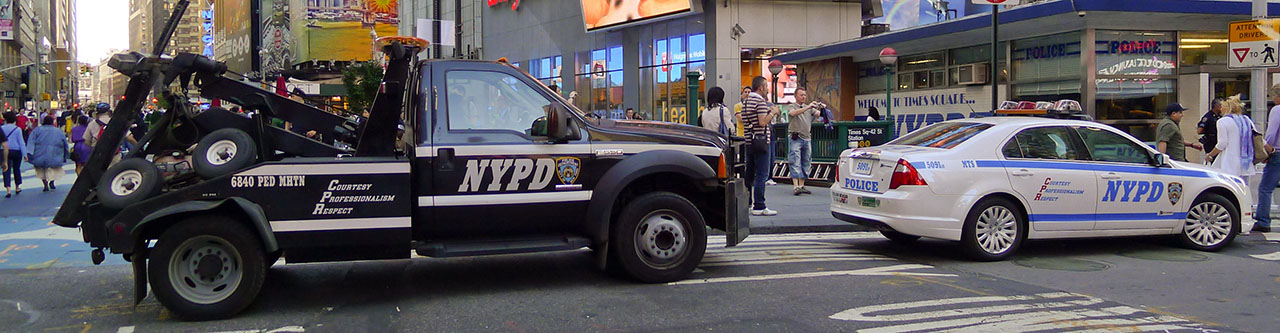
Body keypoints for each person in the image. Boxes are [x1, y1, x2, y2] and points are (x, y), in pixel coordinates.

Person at [743, 76, 780, 216]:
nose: (767, 89)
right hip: (761, 141)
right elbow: (763, 122)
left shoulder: (746, 101)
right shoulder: (760, 101)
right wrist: (773, 112)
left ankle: (748, 202)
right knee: (762, 174)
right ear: (761, 88)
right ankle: (760, 205)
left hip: (749, 140)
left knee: (750, 173)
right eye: (766, 87)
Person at [1206, 95, 1257, 182]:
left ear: (1226, 108)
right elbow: (1256, 137)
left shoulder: (1222, 121)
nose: (1220, 109)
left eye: (1222, 107)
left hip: (1229, 162)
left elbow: (1222, 143)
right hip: (1246, 162)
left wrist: (1210, 154)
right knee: (1243, 188)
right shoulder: (1247, 120)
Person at [785, 88, 822, 195]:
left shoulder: (809, 107)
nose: (803, 97)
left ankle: (802, 185)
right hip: (795, 137)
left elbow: (819, 114)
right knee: (795, 160)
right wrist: (808, 107)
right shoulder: (792, 106)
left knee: (806, 161)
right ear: (795, 96)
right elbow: (792, 114)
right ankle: (795, 186)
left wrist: (821, 107)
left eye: (805, 95)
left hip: (807, 137)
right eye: (801, 95)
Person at [1256, 86, 1280, 233]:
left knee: (1265, 188)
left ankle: (1263, 221)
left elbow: (1272, 132)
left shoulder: (1277, 110)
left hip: (1278, 154)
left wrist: (1267, 151)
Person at [28, 116, 68, 192]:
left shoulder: (37, 130)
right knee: (55, 169)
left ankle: (45, 183)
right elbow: (65, 143)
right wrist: (66, 154)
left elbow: (31, 142)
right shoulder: (58, 131)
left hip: (39, 152)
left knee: (41, 169)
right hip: (55, 153)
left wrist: (29, 153)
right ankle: (52, 181)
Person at [2, 112, 26, 197]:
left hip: (5, 151)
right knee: (16, 169)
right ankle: (17, 187)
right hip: (16, 151)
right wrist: (25, 154)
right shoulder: (18, 129)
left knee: (6, 169)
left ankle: (8, 189)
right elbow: (21, 142)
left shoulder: (2, 128)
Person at [1198, 98, 1224, 163]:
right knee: (1212, 161)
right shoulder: (1208, 117)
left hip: (1217, 141)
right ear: (1217, 106)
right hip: (1210, 143)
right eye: (1221, 105)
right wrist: (1209, 131)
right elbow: (1199, 130)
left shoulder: (1220, 116)